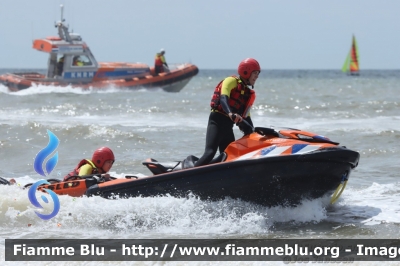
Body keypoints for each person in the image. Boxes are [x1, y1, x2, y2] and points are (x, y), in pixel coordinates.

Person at [194, 58, 261, 167]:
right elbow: (223, 97)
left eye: (258, 74)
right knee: (210, 153)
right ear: (246, 71)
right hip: (216, 122)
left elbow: (247, 117)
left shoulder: (247, 94)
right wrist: (230, 113)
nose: (257, 76)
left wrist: (254, 133)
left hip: (227, 128)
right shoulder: (231, 81)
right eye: (255, 73)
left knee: (230, 156)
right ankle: (185, 177)